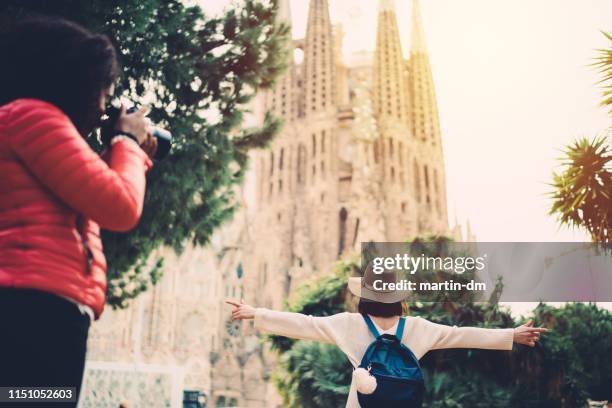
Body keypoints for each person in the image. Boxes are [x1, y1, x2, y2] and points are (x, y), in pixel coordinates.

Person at [0, 17, 156, 405]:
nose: (104, 106)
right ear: (73, 79)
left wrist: (125, 153)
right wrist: (126, 142)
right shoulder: (33, 117)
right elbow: (120, 207)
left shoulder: (25, 122)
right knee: (32, 400)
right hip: (34, 311)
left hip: (41, 309)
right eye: (103, 91)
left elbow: (84, 195)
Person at [226, 264, 548, 408]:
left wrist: (257, 313)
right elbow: (461, 335)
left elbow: (305, 324)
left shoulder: (350, 324)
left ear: (364, 296)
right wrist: (511, 335)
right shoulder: (418, 328)